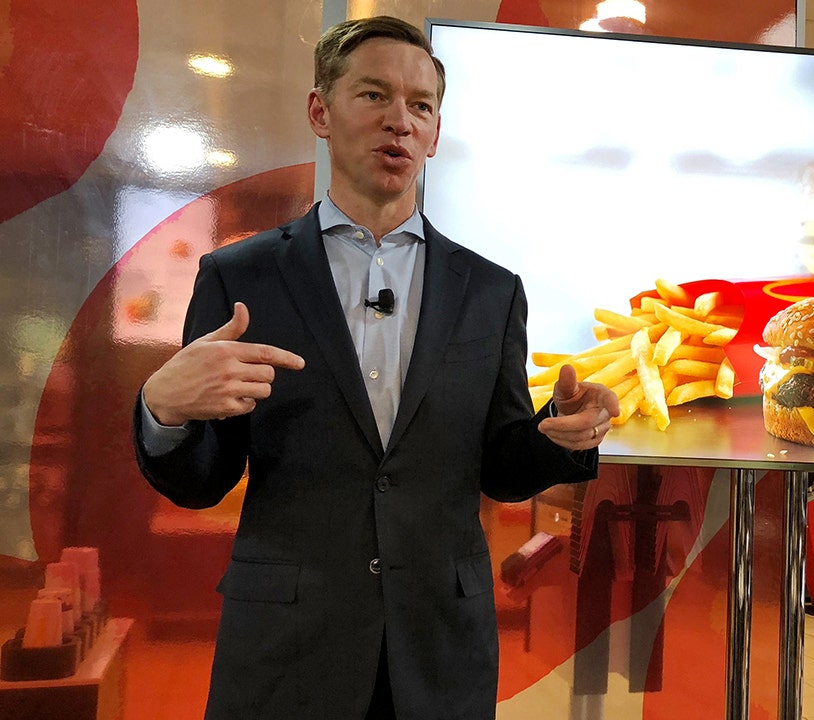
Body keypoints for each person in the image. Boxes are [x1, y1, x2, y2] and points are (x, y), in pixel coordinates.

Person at [132, 16, 619, 720]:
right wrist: (165, 412)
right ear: (320, 113)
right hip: (288, 646)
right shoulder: (242, 278)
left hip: (438, 645)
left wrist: (556, 432)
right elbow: (203, 480)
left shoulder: (490, 291)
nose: (400, 120)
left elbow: (499, 467)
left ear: (435, 134)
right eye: (374, 95)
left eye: (421, 105)